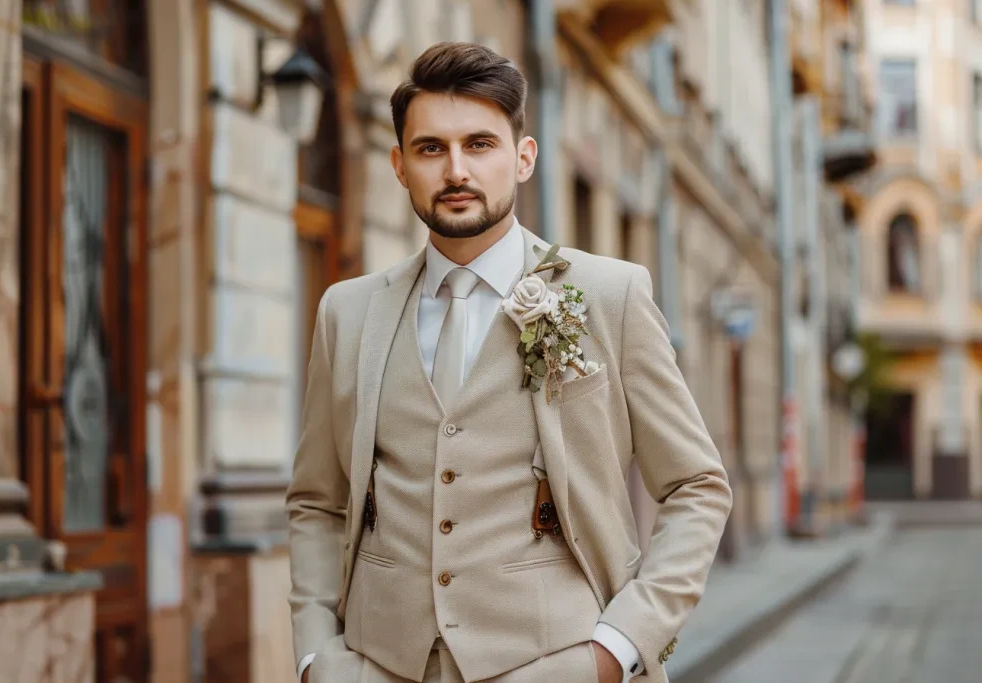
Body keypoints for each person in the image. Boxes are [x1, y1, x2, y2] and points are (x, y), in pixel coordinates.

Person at [286, 41, 732, 683]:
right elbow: (316, 501)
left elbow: (696, 486)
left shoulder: (611, 295)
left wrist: (617, 650)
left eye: (480, 144)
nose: (456, 170)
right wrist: (312, 654)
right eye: (431, 148)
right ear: (399, 164)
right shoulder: (347, 312)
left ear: (523, 158)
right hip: (376, 664)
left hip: (558, 664)